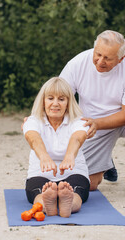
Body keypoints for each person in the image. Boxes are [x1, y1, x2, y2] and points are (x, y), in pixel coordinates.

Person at [57, 30, 125, 200]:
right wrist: (37, 118)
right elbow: (58, 96)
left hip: (123, 118)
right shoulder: (77, 63)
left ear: (121, 58)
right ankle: (107, 162)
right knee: (89, 184)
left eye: (107, 58)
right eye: (98, 54)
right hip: (92, 124)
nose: (100, 61)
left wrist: (98, 123)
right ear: (94, 47)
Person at [23, 77, 90, 218]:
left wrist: (70, 156)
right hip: (41, 174)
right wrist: (44, 157)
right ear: (43, 101)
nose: (55, 104)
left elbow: (78, 137)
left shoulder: (78, 121)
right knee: (39, 194)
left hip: (73, 172)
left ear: (68, 103)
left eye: (61, 99)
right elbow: (33, 138)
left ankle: (68, 205)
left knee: (75, 193)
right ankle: (48, 204)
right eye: (50, 98)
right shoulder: (33, 120)